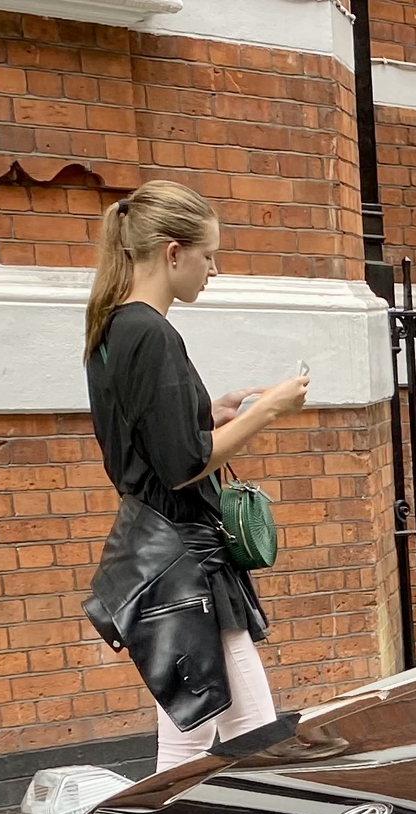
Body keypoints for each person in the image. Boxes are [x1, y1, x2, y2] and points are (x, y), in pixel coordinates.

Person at [82, 180, 308, 770]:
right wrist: (266, 411)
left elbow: (146, 441)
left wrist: (209, 413)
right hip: (186, 558)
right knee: (245, 734)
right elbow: (183, 465)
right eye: (208, 255)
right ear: (172, 252)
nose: (215, 269)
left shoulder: (111, 329)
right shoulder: (151, 333)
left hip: (161, 552)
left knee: (202, 730)